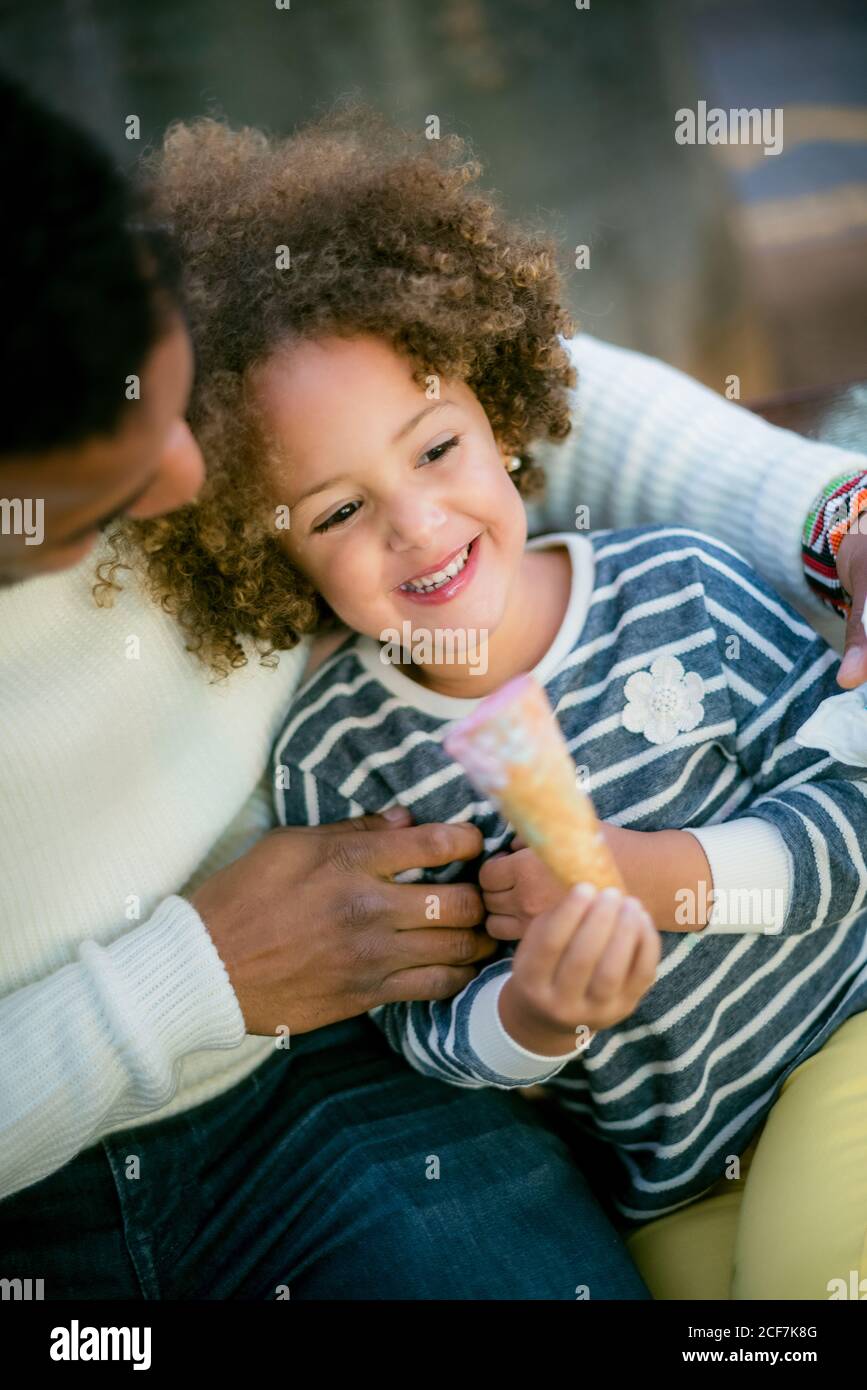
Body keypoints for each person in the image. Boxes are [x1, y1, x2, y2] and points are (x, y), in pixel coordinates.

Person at [0, 94, 864, 1300]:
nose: (193, 477)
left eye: (167, 389)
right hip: (666, 1177)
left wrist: (842, 520)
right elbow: (452, 1032)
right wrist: (539, 1019)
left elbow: (850, 801)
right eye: (333, 512)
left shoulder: (675, 584)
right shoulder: (340, 753)